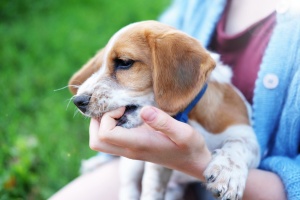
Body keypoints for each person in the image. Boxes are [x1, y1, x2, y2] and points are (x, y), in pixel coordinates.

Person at [50, 0, 300, 199]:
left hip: (263, 189)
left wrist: (194, 163)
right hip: (152, 173)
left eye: (123, 63)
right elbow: (152, 40)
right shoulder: (197, 4)